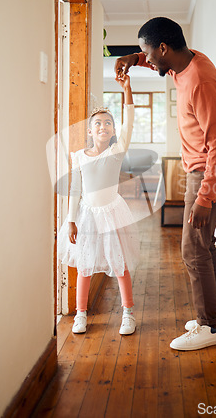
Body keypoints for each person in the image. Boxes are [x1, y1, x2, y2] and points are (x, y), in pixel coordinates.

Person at [115, 17, 216, 351]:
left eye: (148, 53)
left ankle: (208, 325)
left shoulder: (199, 81)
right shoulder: (183, 62)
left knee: (191, 247)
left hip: (214, 170)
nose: (147, 59)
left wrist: (205, 197)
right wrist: (133, 58)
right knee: (204, 243)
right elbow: (156, 61)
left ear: (163, 48)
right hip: (205, 168)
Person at [57, 73, 139, 335]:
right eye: (97, 124)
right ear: (90, 131)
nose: (103, 127)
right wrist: (70, 220)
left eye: (108, 123)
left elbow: (130, 123)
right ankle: (81, 314)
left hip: (113, 213)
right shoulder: (80, 156)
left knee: (120, 263)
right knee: (85, 264)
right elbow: (76, 188)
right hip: (87, 216)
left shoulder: (117, 151)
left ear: (113, 131)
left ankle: (128, 312)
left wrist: (127, 90)